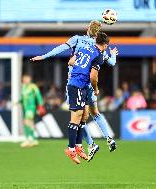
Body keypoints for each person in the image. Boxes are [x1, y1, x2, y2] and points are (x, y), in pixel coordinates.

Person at [30, 20, 118, 159]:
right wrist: (113, 53)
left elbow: (62, 49)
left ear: (87, 28)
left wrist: (44, 56)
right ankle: (108, 138)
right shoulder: (98, 48)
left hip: (76, 81)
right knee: (92, 114)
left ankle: (86, 144)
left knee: (78, 116)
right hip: (89, 84)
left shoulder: (78, 40)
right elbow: (112, 63)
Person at [63, 32, 109, 164]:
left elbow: (71, 61)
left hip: (78, 85)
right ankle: (71, 149)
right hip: (77, 85)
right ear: (105, 45)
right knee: (76, 117)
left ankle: (78, 146)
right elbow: (93, 77)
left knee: (83, 116)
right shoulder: (99, 56)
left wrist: (80, 67)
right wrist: (95, 89)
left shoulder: (84, 48)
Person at [20, 74, 44, 148]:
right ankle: (33, 139)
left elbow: (38, 95)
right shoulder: (23, 87)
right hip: (25, 108)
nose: (26, 80)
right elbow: (22, 98)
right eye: (25, 79)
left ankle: (28, 139)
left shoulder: (33, 86)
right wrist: (17, 102)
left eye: (27, 78)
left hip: (31, 107)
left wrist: (40, 105)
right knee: (29, 122)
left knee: (27, 121)